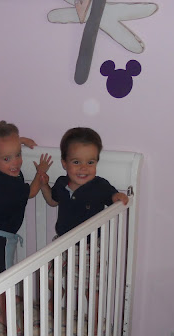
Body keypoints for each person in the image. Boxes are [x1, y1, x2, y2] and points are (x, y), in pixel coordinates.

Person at [38, 127, 128, 321]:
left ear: (97, 162)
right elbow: (52, 201)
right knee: (47, 276)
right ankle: (58, 293)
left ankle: (95, 319)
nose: (83, 168)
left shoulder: (99, 185)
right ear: (64, 163)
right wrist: (44, 185)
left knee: (89, 288)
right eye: (76, 162)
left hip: (88, 247)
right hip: (62, 242)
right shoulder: (61, 183)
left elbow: (112, 196)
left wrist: (118, 197)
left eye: (90, 162)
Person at [0, 120, 52, 325]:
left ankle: (7, 300)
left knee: (6, 271)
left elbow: (4, 147)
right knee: (1, 278)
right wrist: (40, 173)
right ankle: (5, 315)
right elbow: (32, 191)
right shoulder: (7, 184)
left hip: (4, 236)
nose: (16, 163)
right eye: (7, 158)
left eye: (18, 154)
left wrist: (20, 141)